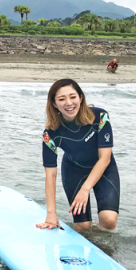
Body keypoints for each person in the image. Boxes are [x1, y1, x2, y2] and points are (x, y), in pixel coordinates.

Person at [36, 78, 119, 232]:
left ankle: (102, 248)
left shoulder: (100, 117)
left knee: (109, 221)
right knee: (83, 226)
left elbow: (105, 158)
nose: (69, 103)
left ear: (81, 98)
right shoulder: (50, 134)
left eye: (73, 97)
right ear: (54, 104)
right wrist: (51, 214)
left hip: (104, 168)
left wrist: (85, 189)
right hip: (74, 171)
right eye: (62, 99)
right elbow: (51, 175)